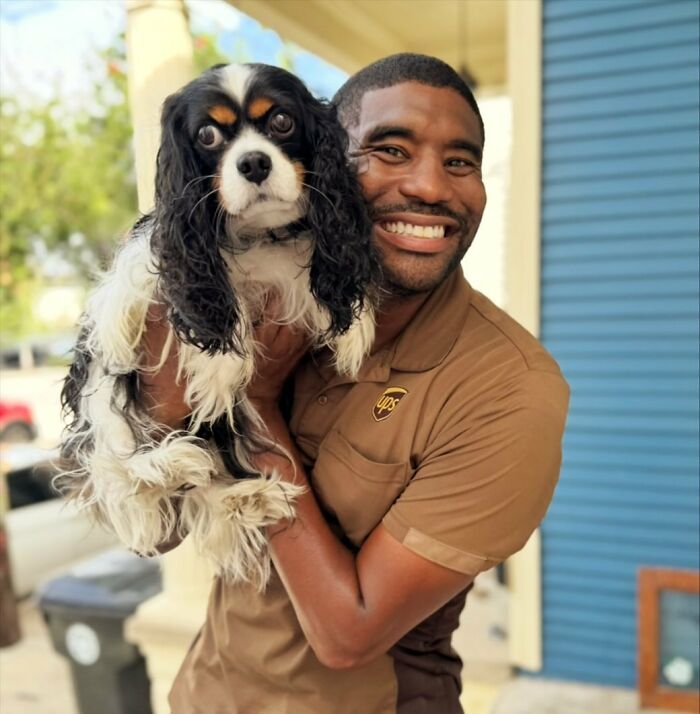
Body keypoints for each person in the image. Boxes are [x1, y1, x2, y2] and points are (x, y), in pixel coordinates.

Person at [152, 53, 569, 713]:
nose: (432, 185)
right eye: (390, 150)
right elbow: (154, 530)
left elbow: (347, 633)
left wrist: (254, 404)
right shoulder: (265, 309)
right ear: (317, 162)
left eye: (460, 162)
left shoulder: (509, 392)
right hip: (207, 694)